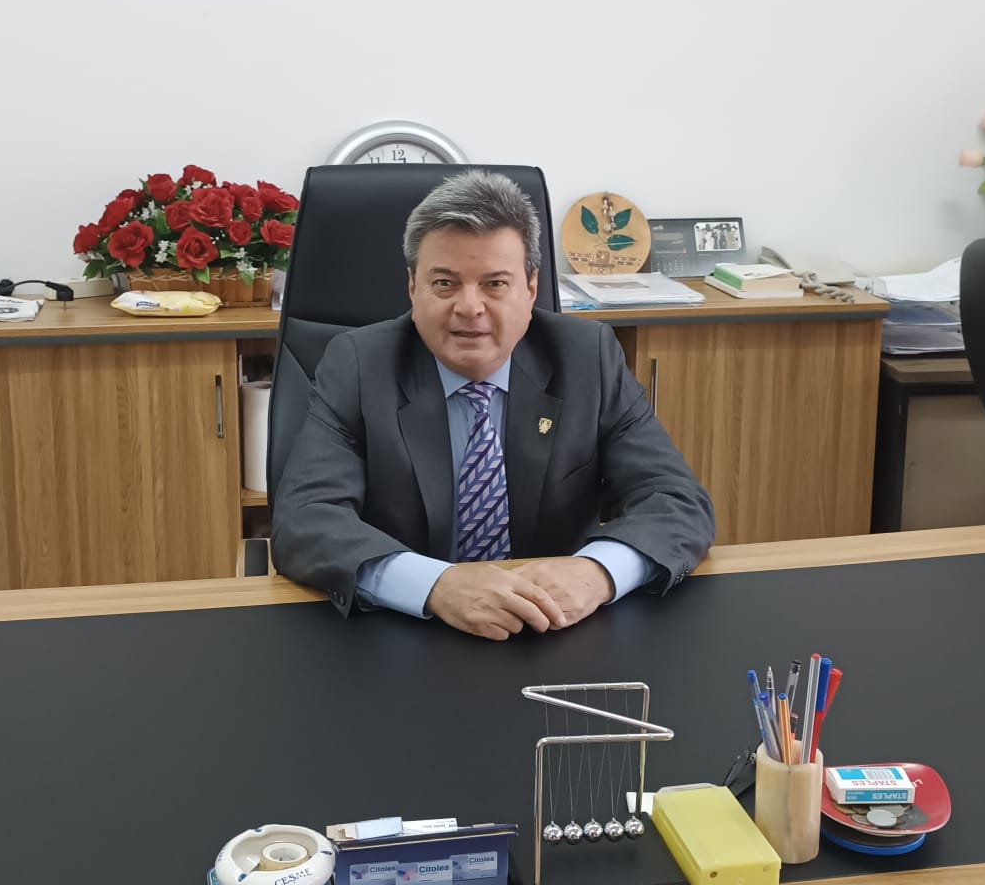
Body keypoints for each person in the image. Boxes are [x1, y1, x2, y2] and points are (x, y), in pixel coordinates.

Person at [271, 172, 715, 641]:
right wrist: (435, 584)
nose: (470, 307)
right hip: (404, 631)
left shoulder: (587, 358)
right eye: (444, 283)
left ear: (531, 288)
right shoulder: (360, 364)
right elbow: (305, 518)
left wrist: (597, 572)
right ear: (413, 288)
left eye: (495, 283)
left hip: (554, 629)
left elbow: (678, 501)